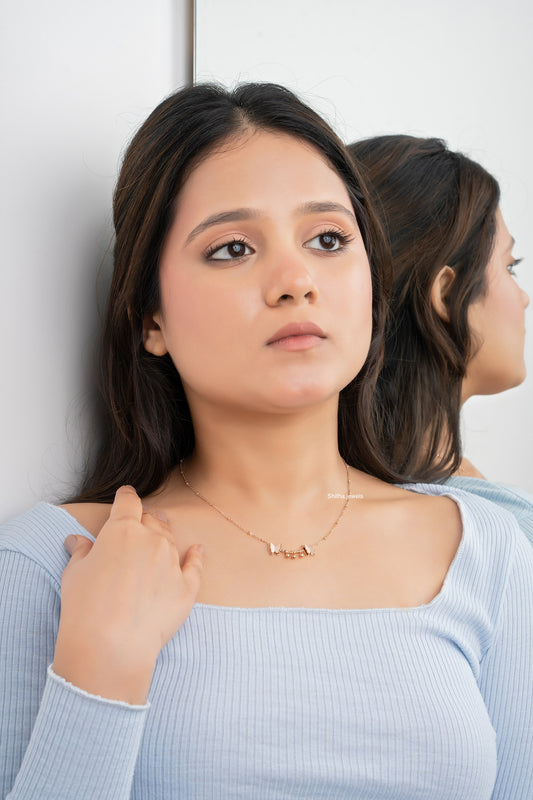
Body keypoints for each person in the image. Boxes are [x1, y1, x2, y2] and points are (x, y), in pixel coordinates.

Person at [1, 85, 532, 800]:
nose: (294, 281)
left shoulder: (487, 550)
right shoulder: (54, 566)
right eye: (231, 249)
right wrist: (100, 670)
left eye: (327, 240)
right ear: (150, 317)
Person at [348, 135, 533, 543]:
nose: (524, 298)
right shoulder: (504, 531)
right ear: (447, 294)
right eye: (510, 266)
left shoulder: (321, 507)